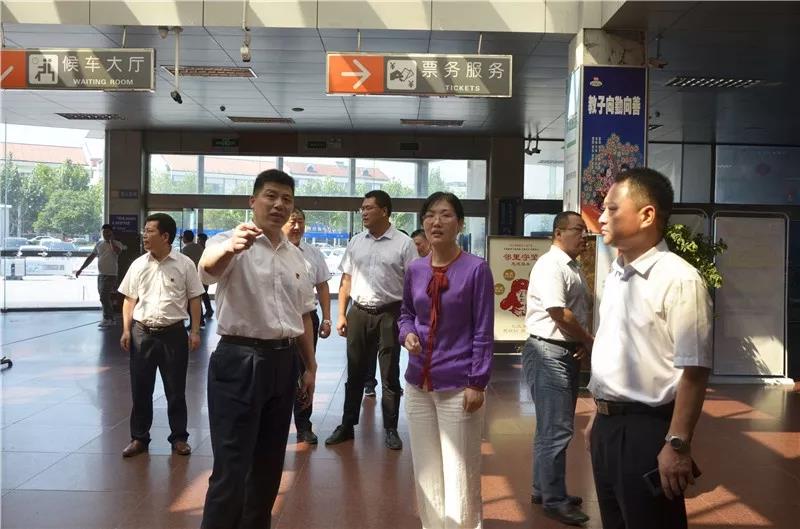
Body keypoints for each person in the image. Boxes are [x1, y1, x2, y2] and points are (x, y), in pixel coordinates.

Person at [586, 168, 712, 529]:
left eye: (612, 209)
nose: (602, 217)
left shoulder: (680, 279)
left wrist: (677, 444)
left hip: (647, 431)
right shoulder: (616, 274)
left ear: (647, 215)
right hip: (608, 426)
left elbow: (694, 370)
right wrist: (598, 415)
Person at [199, 169, 317, 529]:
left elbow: (302, 315)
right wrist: (230, 249)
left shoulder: (296, 257)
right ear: (253, 201)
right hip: (239, 361)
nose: (279, 204)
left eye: (287, 199)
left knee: (268, 468)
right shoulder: (229, 241)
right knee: (231, 469)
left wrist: (310, 367)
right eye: (271, 196)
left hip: (284, 362)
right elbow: (207, 270)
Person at [398, 192, 494, 529]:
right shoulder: (415, 269)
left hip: (459, 384)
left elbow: (483, 329)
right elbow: (406, 313)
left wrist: (477, 382)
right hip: (418, 384)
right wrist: (407, 333)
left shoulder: (476, 269)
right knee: (425, 470)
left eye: (446, 215)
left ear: (460, 224)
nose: (436, 222)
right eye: (430, 215)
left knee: (460, 473)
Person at [325, 190, 417, 450]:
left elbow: (413, 284)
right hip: (359, 313)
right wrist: (341, 314)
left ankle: (390, 428)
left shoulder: (404, 243)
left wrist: (411, 320)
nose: (363, 212)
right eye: (362, 208)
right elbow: (346, 280)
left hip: (390, 313)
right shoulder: (356, 242)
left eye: (369, 208)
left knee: (389, 374)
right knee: (355, 372)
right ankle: (347, 425)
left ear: (384, 211)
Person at [522, 211, 593, 526]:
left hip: (562, 350)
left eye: (585, 230)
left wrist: (579, 342)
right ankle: (554, 500)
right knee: (557, 429)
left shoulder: (571, 266)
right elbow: (558, 313)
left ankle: (544, 489)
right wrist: (588, 340)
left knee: (549, 428)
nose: (584, 236)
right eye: (578, 229)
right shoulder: (551, 265)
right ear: (558, 232)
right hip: (548, 353)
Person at [117, 213, 204, 458]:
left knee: (175, 390)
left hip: (173, 335)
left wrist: (194, 331)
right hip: (142, 333)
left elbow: (194, 299)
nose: (144, 235)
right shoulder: (138, 264)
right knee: (140, 389)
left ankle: (179, 438)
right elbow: (129, 300)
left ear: (165, 236)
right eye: (144, 231)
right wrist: (126, 330)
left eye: (149, 231)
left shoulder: (185, 264)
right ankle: (139, 438)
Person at [282, 207, 333, 445]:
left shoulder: (313, 253)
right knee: (280, 372)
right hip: (277, 318)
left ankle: (304, 425)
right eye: (292, 221)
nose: (297, 226)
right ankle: (276, 426)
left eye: (300, 222)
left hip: (306, 318)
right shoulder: (270, 250)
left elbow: (322, 286)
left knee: (306, 371)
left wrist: (327, 318)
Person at [76, 223, 127, 328]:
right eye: (104, 232)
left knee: (104, 297)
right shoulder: (99, 244)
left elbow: (117, 252)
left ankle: (109, 319)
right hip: (101, 275)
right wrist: (81, 269)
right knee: (103, 297)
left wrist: (111, 241)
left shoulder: (117, 243)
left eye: (108, 232)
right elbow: (91, 257)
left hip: (111, 274)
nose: (105, 234)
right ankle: (108, 318)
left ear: (111, 233)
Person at [181, 229, 206, 328]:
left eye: (183, 237)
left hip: (191, 277)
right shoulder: (199, 247)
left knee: (190, 302)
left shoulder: (185, 249)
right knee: (196, 299)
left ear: (185, 238)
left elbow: (183, 265)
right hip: (201, 276)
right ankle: (200, 320)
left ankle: (194, 323)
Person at [197, 233, 214, 319]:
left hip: (204, 274)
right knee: (204, 293)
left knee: (203, 293)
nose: (197, 241)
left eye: (199, 239)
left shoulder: (206, 249)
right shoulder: (201, 248)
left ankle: (208, 310)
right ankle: (209, 310)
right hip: (202, 273)